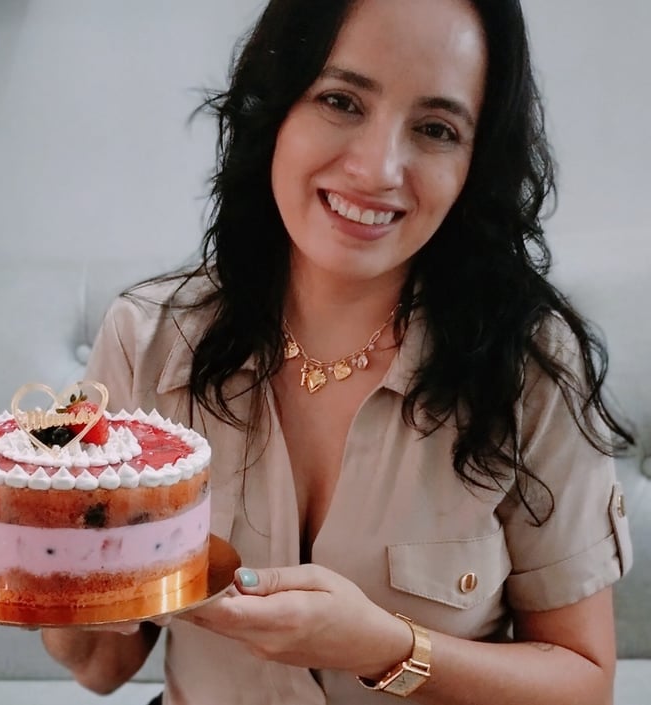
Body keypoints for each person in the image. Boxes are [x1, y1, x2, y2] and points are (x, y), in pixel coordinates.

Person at [41, 0, 634, 702]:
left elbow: (585, 682)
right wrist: (57, 544)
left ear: (477, 164)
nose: (378, 168)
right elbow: (98, 667)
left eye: (436, 128)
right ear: (275, 106)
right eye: (342, 101)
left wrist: (386, 646)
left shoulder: (529, 366)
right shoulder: (146, 339)